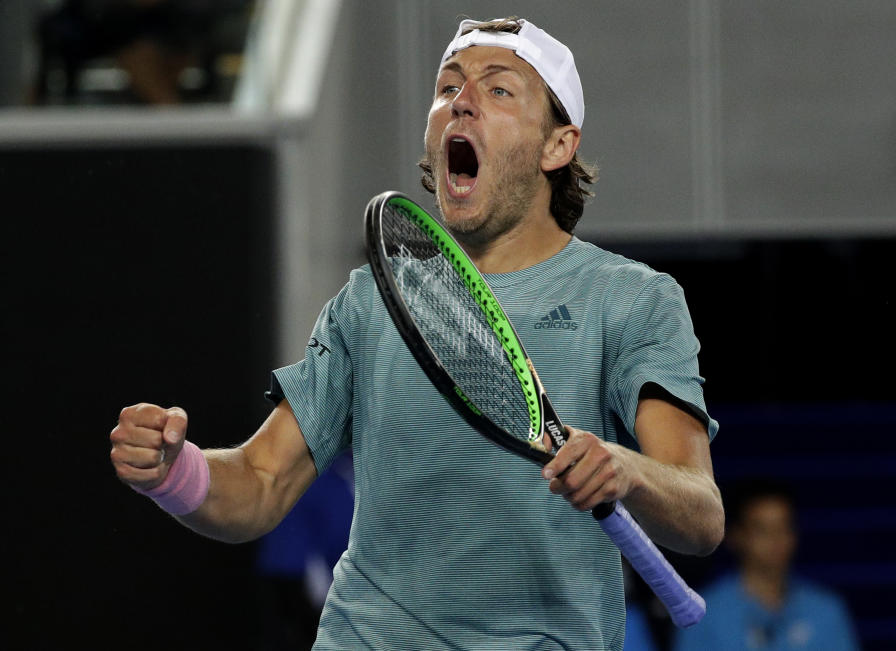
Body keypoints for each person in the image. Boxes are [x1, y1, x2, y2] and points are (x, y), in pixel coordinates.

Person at [110, 16, 724, 649]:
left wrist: (626, 470)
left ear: (557, 146)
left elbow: (700, 513)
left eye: (499, 90)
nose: (461, 102)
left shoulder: (633, 299)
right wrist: (172, 472)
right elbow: (260, 483)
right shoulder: (371, 299)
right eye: (448, 88)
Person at [674, 481, 860, 651]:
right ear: (735, 536)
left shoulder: (826, 611)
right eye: (762, 530)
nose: (776, 540)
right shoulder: (703, 615)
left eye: (783, 527)